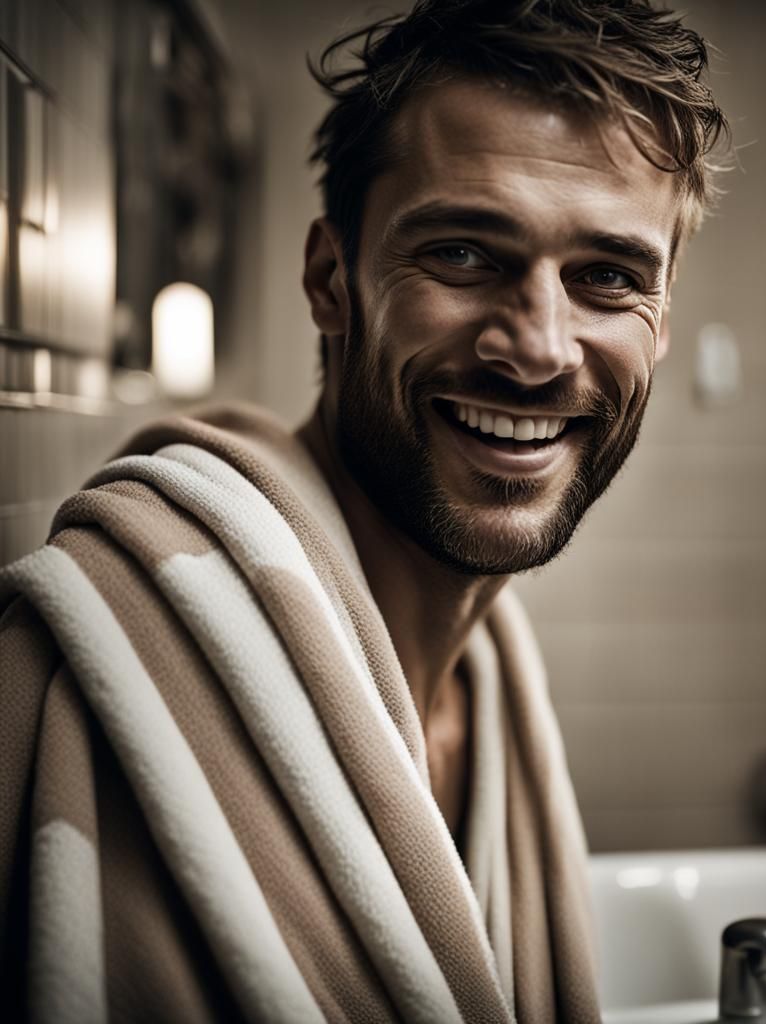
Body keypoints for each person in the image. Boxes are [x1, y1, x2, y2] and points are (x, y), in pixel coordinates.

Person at [0, 0, 726, 1020]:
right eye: (465, 254)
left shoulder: (491, 681)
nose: (539, 348)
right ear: (329, 279)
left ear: (658, 324)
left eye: (607, 277)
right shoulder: (94, 647)